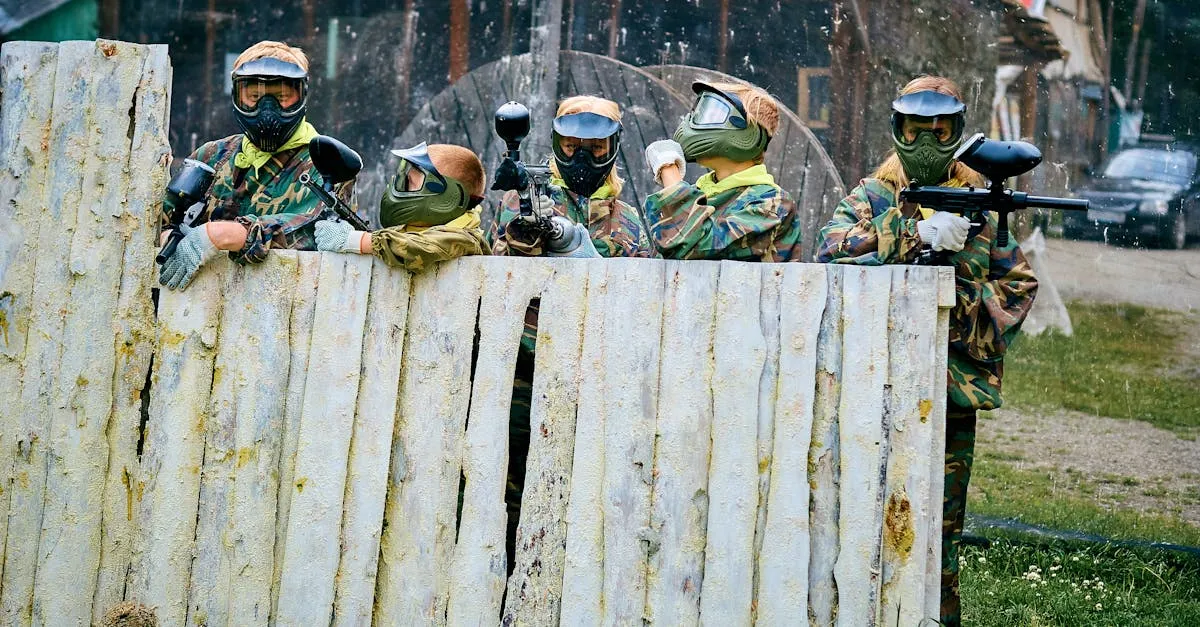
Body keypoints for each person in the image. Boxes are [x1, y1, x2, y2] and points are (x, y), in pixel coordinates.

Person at [816, 75, 1038, 626]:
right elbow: (830, 258)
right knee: (860, 514)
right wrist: (910, 235)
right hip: (873, 380)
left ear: (958, 132)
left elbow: (1017, 290)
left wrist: (956, 287)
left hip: (948, 389)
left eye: (941, 132)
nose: (928, 143)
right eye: (918, 131)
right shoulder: (871, 195)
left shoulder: (983, 204)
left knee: (939, 529)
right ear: (899, 130)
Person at [157, 40, 357, 290]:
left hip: (290, 308)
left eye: (282, 97)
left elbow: (312, 232)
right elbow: (161, 219)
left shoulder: (328, 163)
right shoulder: (212, 155)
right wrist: (168, 236)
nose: (267, 109)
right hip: (199, 306)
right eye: (254, 97)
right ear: (237, 96)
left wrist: (218, 235)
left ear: (301, 96)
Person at [642, 80, 803, 262]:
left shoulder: (772, 205)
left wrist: (669, 172)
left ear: (749, 135)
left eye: (712, 114)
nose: (693, 123)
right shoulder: (701, 193)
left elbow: (689, 247)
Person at [488, 95, 654, 259]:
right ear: (556, 143)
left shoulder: (627, 218)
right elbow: (500, 270)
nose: (582, 157)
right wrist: (526, 227)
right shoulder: (526, 200)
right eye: (571, 146)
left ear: (613, 147)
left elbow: (647, 277)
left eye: (597, 147)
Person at [313, 142, 490, 269]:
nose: (401, 187)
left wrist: (355, 241)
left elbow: (419, 248)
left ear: (447, 198)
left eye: (411, 183)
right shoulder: (412, 231)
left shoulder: (465, 239)